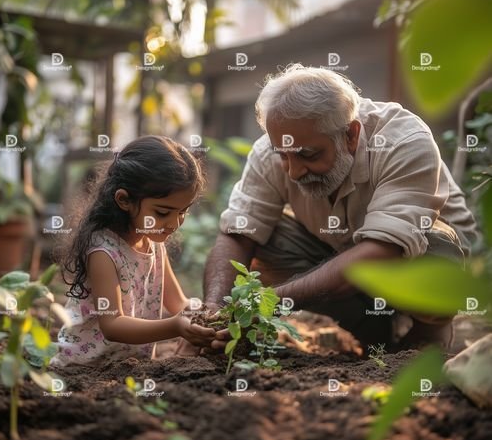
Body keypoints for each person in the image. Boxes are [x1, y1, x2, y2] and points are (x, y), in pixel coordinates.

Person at [204, 64, 478, 353]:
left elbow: (382, 252)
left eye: (308, 155)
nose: (294, 171)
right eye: (282, 156)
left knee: (433, 245)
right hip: (340, 253)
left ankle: (429, 330)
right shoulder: (273, 149)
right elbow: (237, 234)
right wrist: (214, 312)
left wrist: (269, 302)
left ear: (351, 135)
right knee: (264, 238)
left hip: (414, 257)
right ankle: (372, 331)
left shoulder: (404, 141)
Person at [50, 135, 220, 367]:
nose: (175, 223)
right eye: (162, 212)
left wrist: (208, 316)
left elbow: (178, 303)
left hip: (129, 369)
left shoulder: (154, 244)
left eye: (183, 212)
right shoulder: (103, 252)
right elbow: (113, 325)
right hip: (83, 369)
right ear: (124, 200)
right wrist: (176, 326)